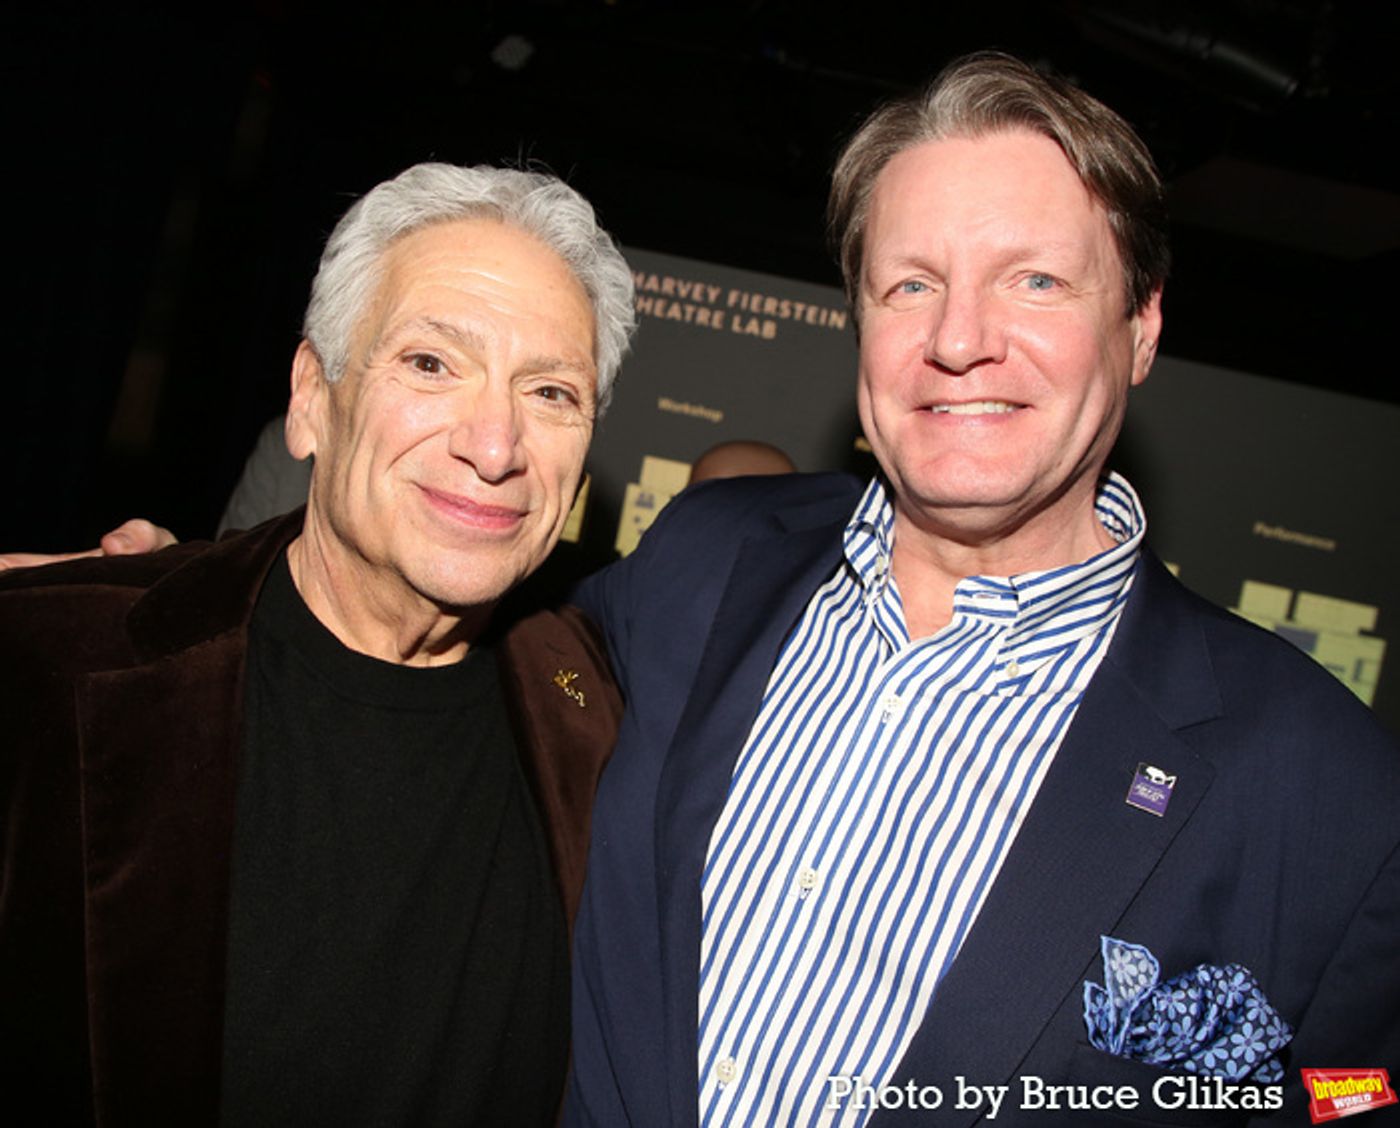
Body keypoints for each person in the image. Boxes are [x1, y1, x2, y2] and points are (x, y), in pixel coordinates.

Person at [564, 54, 1399, 1126]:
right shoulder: (703, 561)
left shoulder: (1322, 786)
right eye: (909, 284)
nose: (958, 340)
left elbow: (1356, 1095)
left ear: (1139, 328)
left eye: (1034, 280)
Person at [0, 162, 633, 1126]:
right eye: (431, 364)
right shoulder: (53, 668)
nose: (496, 444)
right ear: (311, 398)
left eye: (550, 392)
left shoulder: (595, 717)